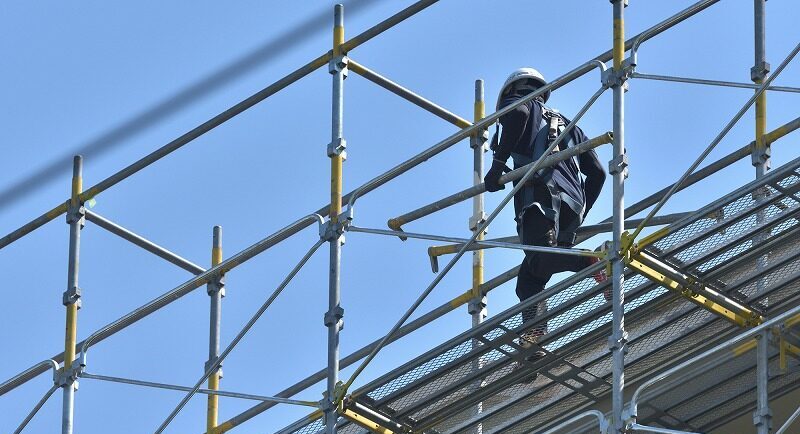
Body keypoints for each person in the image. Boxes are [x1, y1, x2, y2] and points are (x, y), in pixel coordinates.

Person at [483, 68, 606, 381]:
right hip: (572, 205)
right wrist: (579, 213)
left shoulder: (521, 105)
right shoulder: (569, 124)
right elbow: (598, 174)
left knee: (538, 259)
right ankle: (534, 342)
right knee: (530, 278)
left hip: (540, 197)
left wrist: (498, 166)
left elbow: (517, 115)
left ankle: (594, 261)